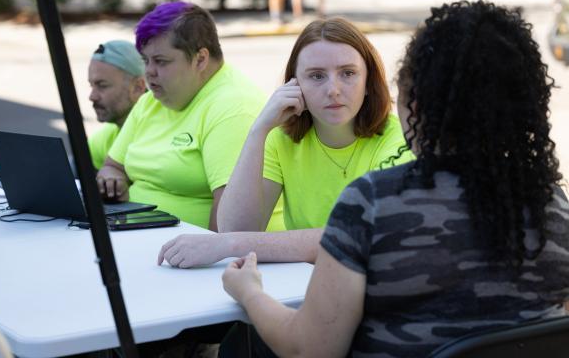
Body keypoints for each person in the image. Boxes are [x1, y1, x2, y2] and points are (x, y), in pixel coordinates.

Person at [221, 1, 569, 357]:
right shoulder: (554, 205)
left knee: (241, 345)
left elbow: (308, 350)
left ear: (414, 106)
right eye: (317, 75)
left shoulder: (373, 203)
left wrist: (250, 293)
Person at [158, 17, 412, 268]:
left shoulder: (397, 140)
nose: (333, 89)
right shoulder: (282, 138)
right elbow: (236, 228)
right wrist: (259, 130)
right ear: (295, 84)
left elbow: (360, 235)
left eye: (348, 73)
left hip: (379, 283)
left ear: (368, 82)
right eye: (316, 76)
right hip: (304, 281)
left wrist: (233, 245)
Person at [96, 2, 265, 231]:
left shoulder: (233, 108)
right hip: (136, 236)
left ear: (200, 59)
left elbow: (228, 226)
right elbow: (113, 166)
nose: (149, 72)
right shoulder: (153, 100)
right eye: (145, 60)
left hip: (189, 254)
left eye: (161, 61)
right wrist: (111, 178)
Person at [87, 40, 146, 170]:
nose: (92, 96)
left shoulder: (158, 137)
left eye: (102, 85)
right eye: (91, 85)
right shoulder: (103, 140)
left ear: (138, 87)